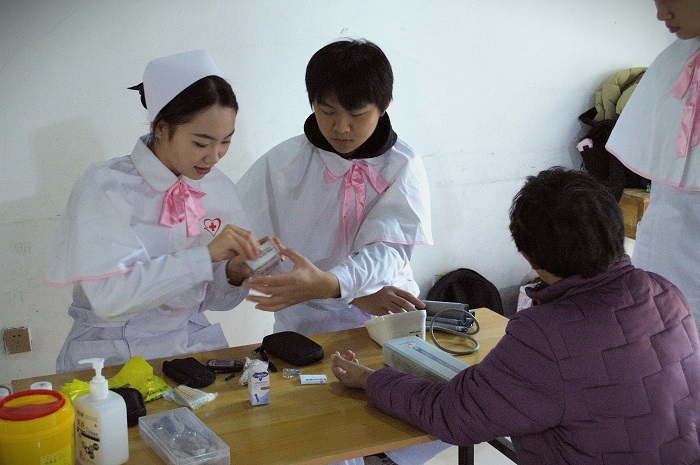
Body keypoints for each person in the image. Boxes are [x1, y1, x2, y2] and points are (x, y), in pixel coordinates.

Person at [332, 167, 700, 464]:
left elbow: (454, 414)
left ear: (528, 257)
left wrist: (371, 380)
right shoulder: (666, 292)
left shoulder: (546, 336)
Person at [47, 50, 265, 373]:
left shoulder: (218, 187)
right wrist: (204, 257)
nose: (214, 156)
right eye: (201, 143)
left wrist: (233, 272)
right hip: (109, 354)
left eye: (226, 141)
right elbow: (111, 299)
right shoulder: (106, 186)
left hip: (187, 347)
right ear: (161, 128)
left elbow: (212, 300)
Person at [237, 39, 432, 335]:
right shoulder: (284, 162)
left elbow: (390, 251)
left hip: (386, 312)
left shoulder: (401, 164)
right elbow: (248, 238)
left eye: (356, 114)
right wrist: (343, 292)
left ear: (383, 107)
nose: (341, 127)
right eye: (327, 111)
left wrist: (340, 286)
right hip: (306, 322)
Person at [606, 0, 700, 331]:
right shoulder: (673, 61)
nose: (661, 15)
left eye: (671, 1)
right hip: (667, 241)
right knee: (660, 325)